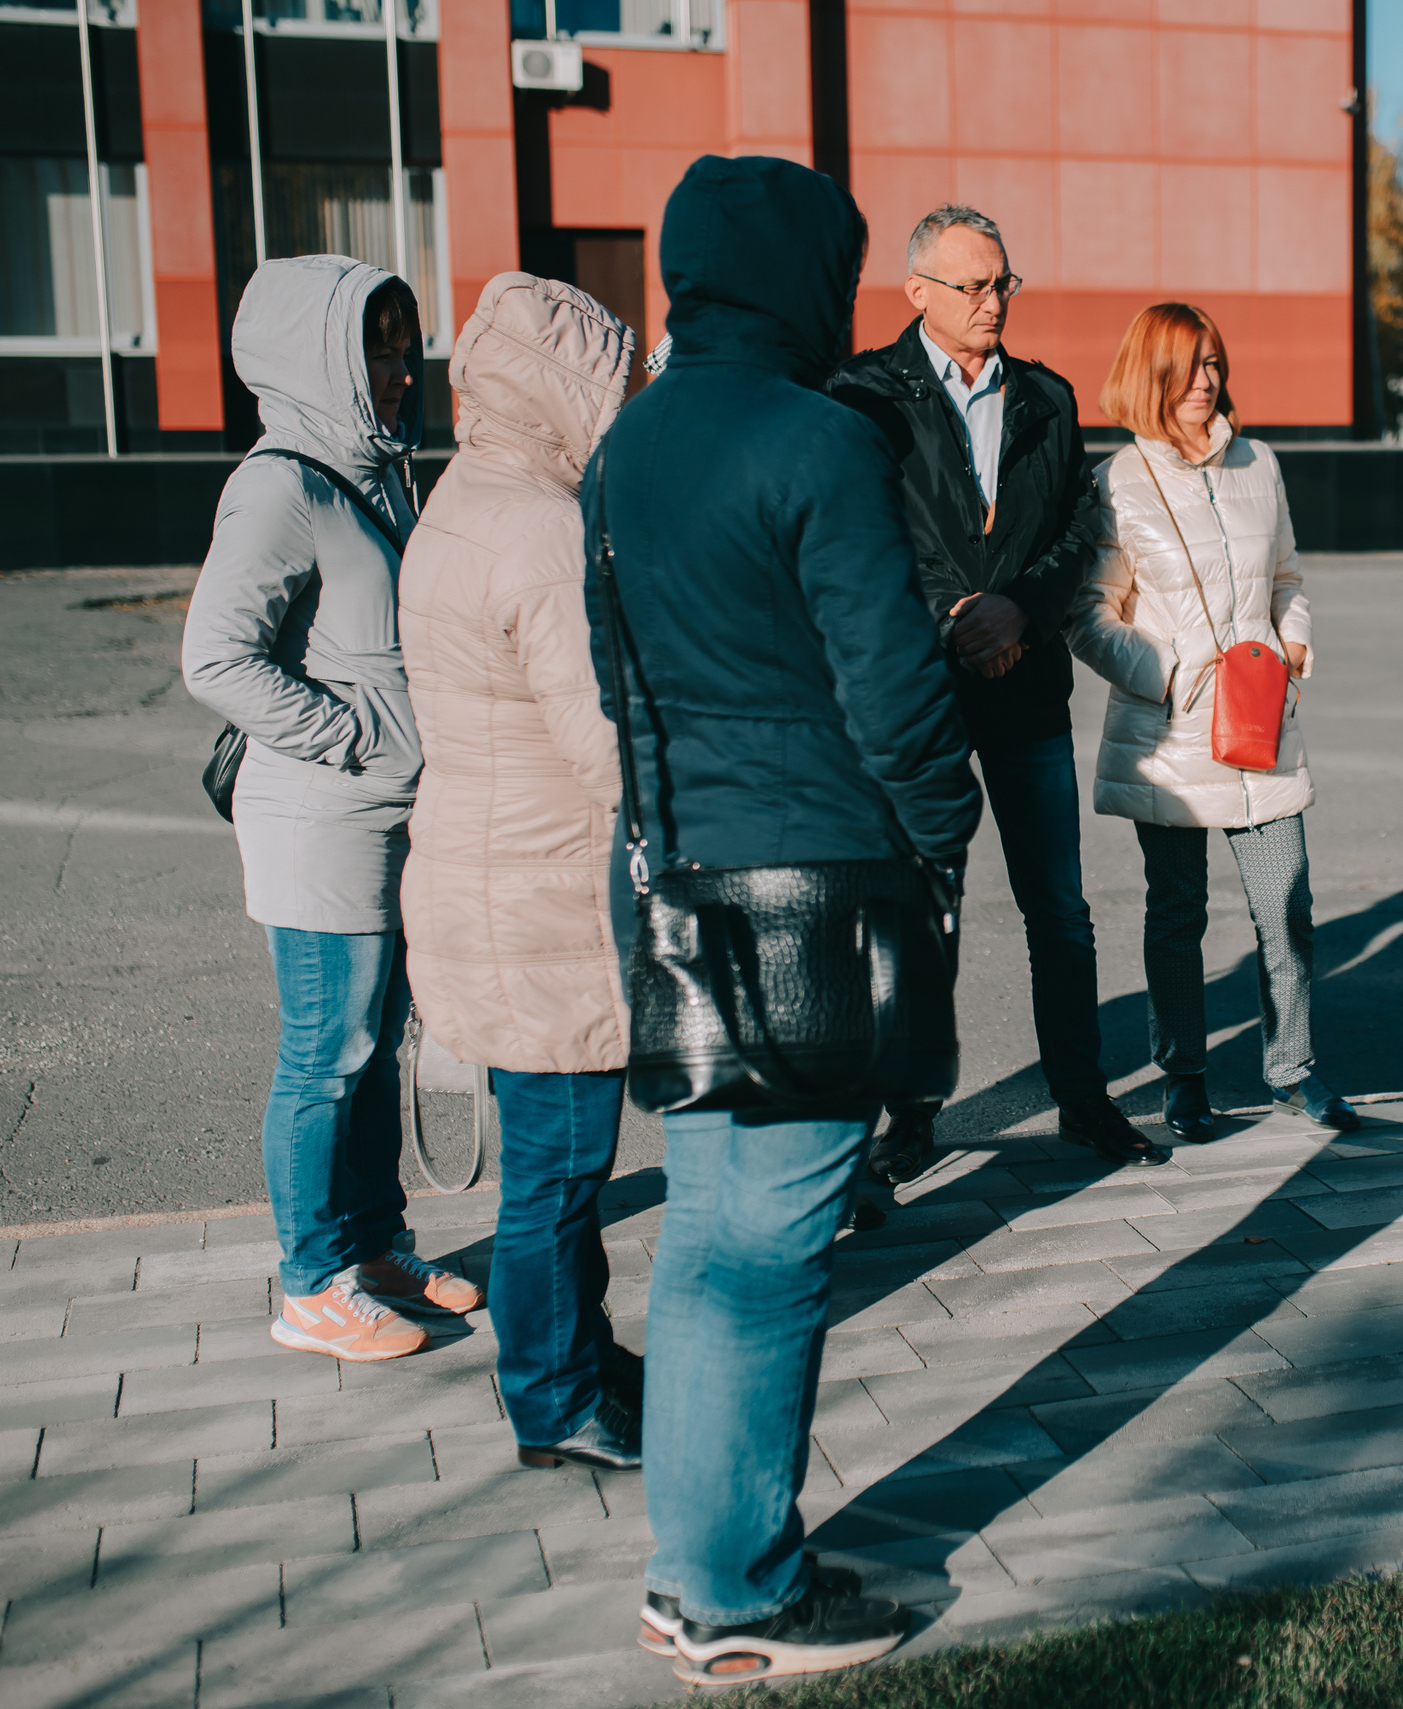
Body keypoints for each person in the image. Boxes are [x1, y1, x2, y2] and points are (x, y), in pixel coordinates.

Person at [590, 155, 979, 1684]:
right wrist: (942, 840)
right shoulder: (819, 440)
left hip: (689, 878)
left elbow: (619, 684)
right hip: (818, 882)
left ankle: (698, 1563)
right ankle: (734, 1592)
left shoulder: (623, 448)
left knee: (707, 1245)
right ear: (811, 275)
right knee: (772, 1255)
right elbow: (893, 686)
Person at [183, 256, 483, 1364]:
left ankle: (374, 1242)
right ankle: (310, 1279)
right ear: (320, 356)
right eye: (375, 348)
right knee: (326, 1048)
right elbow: (215, 657)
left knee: (372, 1040)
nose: (400, 370)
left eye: (404, 347)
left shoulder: (377, 470)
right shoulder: (281, 483)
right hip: (322, 819)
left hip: (387, 817)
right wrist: (354, 737)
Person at [827, 205, 1157, 1174]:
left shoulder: (1048, 400)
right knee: (925, 904)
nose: (991, 302)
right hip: (914, 686)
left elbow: (1076, 537)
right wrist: (954, 611)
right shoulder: (861, 395)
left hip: (1026, 683)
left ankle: (1083, 1099)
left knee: (1057, 903)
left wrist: (1016, 608)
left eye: (1002, 282)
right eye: (972, 284)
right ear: (917, 291)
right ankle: (912, 1115)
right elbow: (861, 527)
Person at [397, 272, 643, 1468]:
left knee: (555, 1161)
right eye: (614, 376)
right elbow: (601, 738)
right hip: (543, 895)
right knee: (557, 1173)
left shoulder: (466, 497)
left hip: (487, 877)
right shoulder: (543, 529)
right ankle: (554, 1395)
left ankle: (576, 1353)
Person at [1066, 302, 1359, 1139]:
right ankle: (1183, 1076)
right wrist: (1166, 675)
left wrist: (1291, 644)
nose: (1208, 381)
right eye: (1190, 366)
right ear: (1150, 373)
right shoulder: (1119, 480)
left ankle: (1294, 1067)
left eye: (1215, 364)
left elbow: (1289, 578)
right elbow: (1089, 613)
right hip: (1174, 732)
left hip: (1261, 717)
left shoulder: (1259, 463)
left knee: (1288, 905)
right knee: (1177, 914)